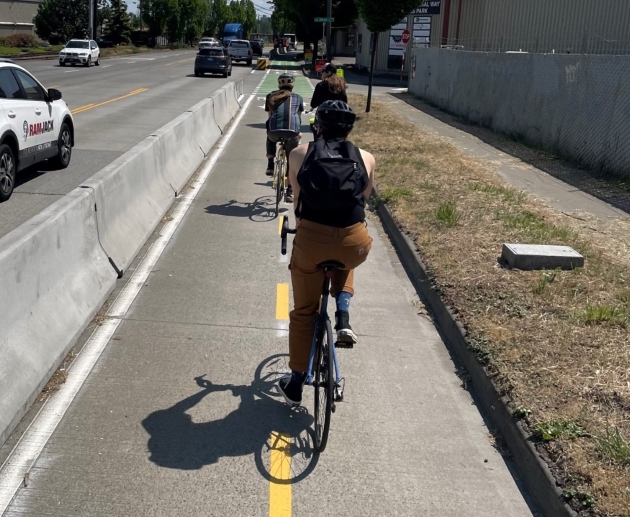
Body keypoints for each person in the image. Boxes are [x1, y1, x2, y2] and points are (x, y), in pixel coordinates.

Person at [278, 100, 375, 406]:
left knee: (304, 313)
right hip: (353, 241)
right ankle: (343, 317)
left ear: (317, 126)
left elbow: (297, 204)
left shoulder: (298, 154)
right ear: (349, 129)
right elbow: (363, 200)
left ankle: (295, 381)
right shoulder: (366, 157)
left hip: (311, 240)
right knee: (349, 251)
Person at [265, 73, 304, 203]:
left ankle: (270, 164)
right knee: (291, 159)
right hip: (292, 131)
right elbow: (297, 117)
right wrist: (299, 132)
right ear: (292, 84)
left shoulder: (271, 96)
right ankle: (289, 191)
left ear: (279, 84)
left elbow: (270, 116)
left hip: (274, 131)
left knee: (270, 137)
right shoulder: (298, 98)